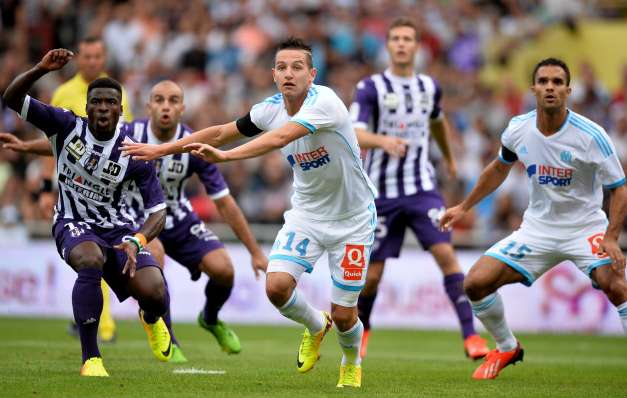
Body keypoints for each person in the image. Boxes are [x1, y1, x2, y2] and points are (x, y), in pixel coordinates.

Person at [121, 37, 377, 388]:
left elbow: (279, 139)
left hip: (353, 221)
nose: (290, 73)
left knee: (346, 315)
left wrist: (226, 156)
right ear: (273, 74)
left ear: (311, 74)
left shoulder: (325, 102)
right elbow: (222, 131)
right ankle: (316, 326)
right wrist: (163, 148)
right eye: (283, 67)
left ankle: (351, 361)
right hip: (307, 215)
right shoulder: (269, 109)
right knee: (276, 287)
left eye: (297, 67)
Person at [0, 80, 268, 359]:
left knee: (224, 269)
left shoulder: (192, 144)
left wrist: (254, 250)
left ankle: (210, 319)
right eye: (160, 99)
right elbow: (81, 144)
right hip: (136, 217)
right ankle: (170, 340)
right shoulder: (128, 132)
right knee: (154, 254)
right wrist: (27, 147)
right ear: (148, 106)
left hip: (176, 217)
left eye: (173, 100)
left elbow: (223, 200)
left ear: (182, 108)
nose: (166, 106)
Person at [440, 58, 627, 380]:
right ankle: (507, 346)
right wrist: (465, 206)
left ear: (568, 90)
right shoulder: (518, 128)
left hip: (585, 228)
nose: (550, 87)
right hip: (538, 230)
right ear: (534, 88)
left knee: (618, 286)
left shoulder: (591, 135)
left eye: (557, 82)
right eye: (544, 81)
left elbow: (619, 189)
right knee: (475, 283)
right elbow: (499, 167)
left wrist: (610, 236)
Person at [2, 49, 172, 376]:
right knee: (90, 261)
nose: (103, 108)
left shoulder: (134, 153)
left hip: (119, 230)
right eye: (96, 102)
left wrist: (137, 240)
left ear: (120, 109)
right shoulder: (64, 125)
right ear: (88, 106)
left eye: (110, 102)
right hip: (72, 221)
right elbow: (11, 98)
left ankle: (149, 318)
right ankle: (91, 358)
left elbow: (158, 213)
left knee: (156, 292)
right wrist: (40, 68)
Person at [349, 17, 488, 359]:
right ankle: (363, 328)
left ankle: (471, 336)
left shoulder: (429, 86)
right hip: (380, 192)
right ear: (388, 45)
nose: (400, 44)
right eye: (395, 38)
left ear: (416, 46)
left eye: (407, 39)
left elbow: (437, 121)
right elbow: (354, 132)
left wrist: (449, 157)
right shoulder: (371, 87)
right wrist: (382, 140)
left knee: (445, 254)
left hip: (422, 188)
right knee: (373, 275)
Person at [49, 36, 134, 343]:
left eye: (98, 56)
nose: (93, 62)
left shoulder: (114, 92)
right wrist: (51, 187)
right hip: (73, 197)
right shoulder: (63, 93)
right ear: (79, 58)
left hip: (111, 196)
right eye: (87, 56)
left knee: (103, 259)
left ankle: (106, 320)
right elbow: (53, 145)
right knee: (89, 260)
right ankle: (100, 323)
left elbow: (128, 144)